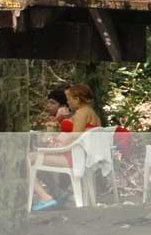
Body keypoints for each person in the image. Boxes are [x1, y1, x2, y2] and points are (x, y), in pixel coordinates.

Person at [30, 83, 101, 211]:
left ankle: (44, 197)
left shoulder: (81, 113)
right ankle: (57, 193)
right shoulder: (90, 112)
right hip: (79, 155)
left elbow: (75, 136)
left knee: (27, 159)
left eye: (69, 99)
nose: (67, 102)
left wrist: (57, 145)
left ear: (77, 99)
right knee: (38, 161)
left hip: (73, 157)